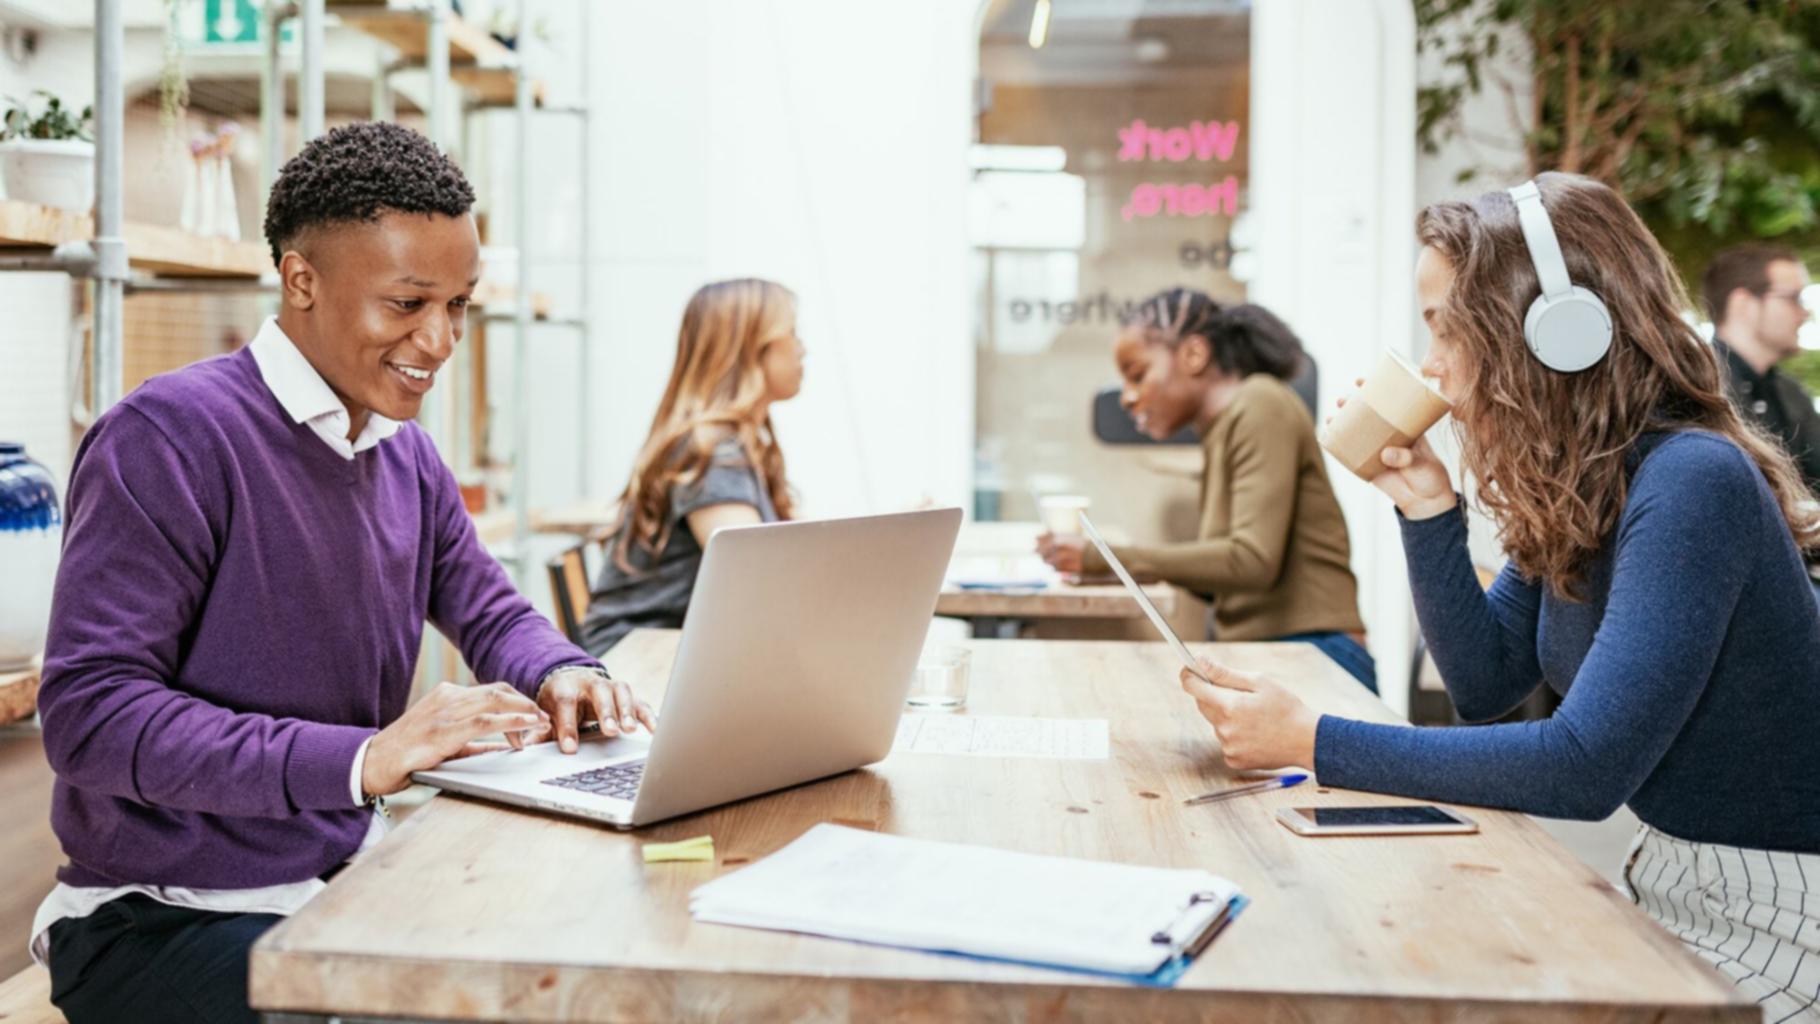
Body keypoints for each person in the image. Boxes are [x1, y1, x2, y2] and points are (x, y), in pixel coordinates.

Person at [31, 122, 654, 1024]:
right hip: (158, 921)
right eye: (407, 304)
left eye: (459, 305)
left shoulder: (404, 456)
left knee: (574, 958)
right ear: (301, 281)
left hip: (342, 878)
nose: (440, 341)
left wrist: (563, 670)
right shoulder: (169, 437)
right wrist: (364, 758)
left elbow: (487, 610)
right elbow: (91, 717)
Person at [1176, 173, 1820, 1021]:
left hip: (1781, 921)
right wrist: (1426, 507)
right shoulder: (1597, 485)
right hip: (1671, 880)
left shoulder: (1692, 480)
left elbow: (1583, 766)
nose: (1430, 361)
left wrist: (1313, 738)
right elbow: (1485, 687)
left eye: (1445, 326)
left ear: (1558, 330)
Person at [1036, 288, 1376, 690]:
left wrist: (1108, 559)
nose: (1126, 398)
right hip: (1280, 655)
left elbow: (1252, 562)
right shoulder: (1224, 427)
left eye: (1138, 374)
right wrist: (1114, 569)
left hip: (1316, 657)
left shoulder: (1261, 403)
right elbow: (1228, 576)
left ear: (1194, 355)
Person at [578, 278, 804, 655]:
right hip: (638, 659)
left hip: (672, 647)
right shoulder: (710, 452)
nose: (803, 348)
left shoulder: (735, 445)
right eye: (792, 334)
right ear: (750, 349)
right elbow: (759, 580)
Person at [1702, 244, 1820, 600]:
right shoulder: (1700, 392)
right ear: (1743, 304)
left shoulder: (1788, 391)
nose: (1805, 313)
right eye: (1794, 297)